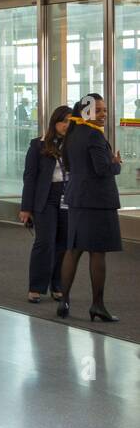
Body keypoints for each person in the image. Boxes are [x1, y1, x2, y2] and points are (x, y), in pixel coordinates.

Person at [56, 93, 122, 322]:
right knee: (97, 252)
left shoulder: (73, 134)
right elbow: (102, 169)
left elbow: (70, 165)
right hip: (97, 201)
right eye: (99, 110)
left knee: (73, 250)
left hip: (77, 199)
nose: (104, 114)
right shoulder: (94, 136)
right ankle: (97, 305)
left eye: (105, 110)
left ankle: (64, 301)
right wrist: (115, 164)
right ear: (86, 112)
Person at [20, 104, 73, 304]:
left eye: (70, 121)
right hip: (46, 198)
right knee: (45, 242)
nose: (67, 125)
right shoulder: (38, 145)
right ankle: (36, 287)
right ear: (55, 122)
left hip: (68, 196)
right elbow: (30, 177)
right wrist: (26, 208)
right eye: (64, 121)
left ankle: (57, 285)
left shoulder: (74, 144)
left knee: (63, 244)